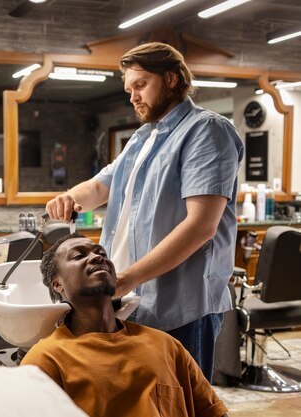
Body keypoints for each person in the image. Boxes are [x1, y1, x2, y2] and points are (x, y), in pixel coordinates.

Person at [44, 42, 244, 381]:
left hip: (180, 307)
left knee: (181, 403)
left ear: (171, 79)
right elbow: (100, 187)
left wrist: (126, 279)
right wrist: (68, 196)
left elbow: (200, 227)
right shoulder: (143, 137)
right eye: (129, 89)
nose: (133, 96)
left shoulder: (206, 130)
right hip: (133, 300)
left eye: (140, 85)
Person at [21, 233, 229, 417]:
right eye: (78, 256)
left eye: (100, 252)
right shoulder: (45, 360)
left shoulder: (166, 346)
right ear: (57, 284)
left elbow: (212, 413)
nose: (96, 257)